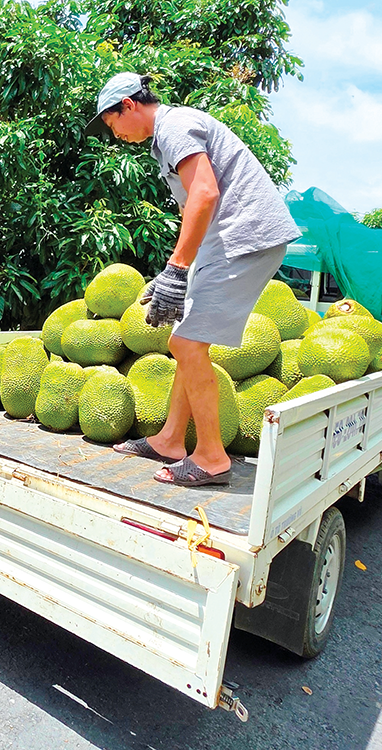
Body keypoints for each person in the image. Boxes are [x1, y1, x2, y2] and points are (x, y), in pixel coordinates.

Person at [84, 72, 300, 486]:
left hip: (246, 238)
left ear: (129, 105)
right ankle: (169, 439)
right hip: (229, 240)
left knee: (185, 343)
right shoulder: (168, 135)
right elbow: (197, 211)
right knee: (185, 340)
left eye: (113, 125)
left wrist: (178, 268)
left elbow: (205, 194)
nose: (116, 137)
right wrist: (173, 272)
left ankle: (212, 458)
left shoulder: (175, 126)